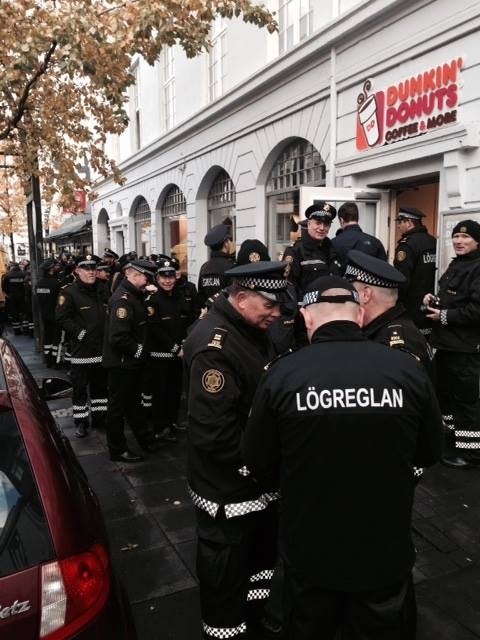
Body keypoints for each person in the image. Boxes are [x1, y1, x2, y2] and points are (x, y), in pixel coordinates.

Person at [243, 275, 442, 640]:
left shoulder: (283, 374)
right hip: (384, 544)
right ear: (361, 314)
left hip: (311, 548)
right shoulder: (406, 370)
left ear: (306, 318)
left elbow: (258, 461)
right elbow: (430, 450)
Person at [183, 261, 290, 640]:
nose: (277, 314)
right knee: (225, 572)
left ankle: (256, 615)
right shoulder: (216, 346)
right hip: (228, 486)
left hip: (255, 483)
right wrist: (261, 463)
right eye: (270, 306)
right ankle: (226, 630)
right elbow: (214, 434)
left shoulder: (249, 329)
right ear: (242, 298)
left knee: (258, 562)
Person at [423, 219, 480, 470]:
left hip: (464, 347)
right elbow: (452, 298)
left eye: (466, 238)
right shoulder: (458, 265)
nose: (459, 241)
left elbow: (476, 310)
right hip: (446, 344)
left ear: (477, 241)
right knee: (442, 391)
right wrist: (433, 299)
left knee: (465, 399)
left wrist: (443, 316)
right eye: (456, 236)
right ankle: (456, 432)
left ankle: (472, 453)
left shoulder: (477, 267)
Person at [102, 259, 161, 462]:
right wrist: (139, 352)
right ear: (135, 275)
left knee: (134, 405)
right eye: (146, 277)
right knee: (118, 408)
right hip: (121, 364)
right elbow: (118, 337)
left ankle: (146, 440)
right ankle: (117, 449)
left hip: (130, 363)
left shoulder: (134, 295)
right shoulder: (123, 300)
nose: (148, 282)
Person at [346, 250, 432, 369]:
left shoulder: (394, 343)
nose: (348, 296)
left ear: (366, 294)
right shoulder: (382, 329)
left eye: (352, 290)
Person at [144, 257, 198, 442]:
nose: (167, 281)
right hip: (160, 355)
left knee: (175, 391)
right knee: (161, 393)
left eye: (170, 277)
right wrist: (175, 348)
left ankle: (172, 422)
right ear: (157, 278)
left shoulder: (179, 296)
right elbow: (155, 328)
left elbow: (187, 321)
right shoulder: (152, 299)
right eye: (163, 277)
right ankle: (160, 427)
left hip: (178, 353)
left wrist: (185, 342)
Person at [55, 255, 109, 438]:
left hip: (101, 349)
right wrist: (80, 333)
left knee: (100, 389)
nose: (91, 272)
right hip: (82, 351)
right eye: (86, 268)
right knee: (79, 389)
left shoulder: (102, 289)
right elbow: (62, 318)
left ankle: (100, 418)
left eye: (93, 268)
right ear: (77, 270)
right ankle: (81, 423)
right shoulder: (69, 292)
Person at [282, 201, 342, 298]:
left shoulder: (333, 251)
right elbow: (288, 288)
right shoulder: (295, 252)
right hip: (307, 310)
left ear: (330, 226)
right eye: (318, 223)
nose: (322, 228)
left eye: (326, 224)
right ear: (309, 224)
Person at [393, 206, 437, 335]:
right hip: (431, 302)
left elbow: (402, 278)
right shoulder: (432, 241)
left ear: (409, 222)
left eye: (400, 222)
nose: (398, 226)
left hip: (411, 305)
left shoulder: (407, 245)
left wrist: (397, 303)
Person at [331, 201, 387, 271]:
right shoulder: (375, 242)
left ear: (341, 220)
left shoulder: (333, 243)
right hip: (368, 281)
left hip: (341, 281)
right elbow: (384, 270)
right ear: (357, 218)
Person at [197, 223, 234, 308]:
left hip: (209, 316)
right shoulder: (230, 267)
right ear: (226, 244)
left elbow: (201, 298)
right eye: (229, 240)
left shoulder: (204, 267)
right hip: (225, 317)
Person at [35, 258, 61, 367]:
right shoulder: (56, 283)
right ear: (51, 269)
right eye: (55, 266)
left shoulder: (38, 284)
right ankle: (55, 361)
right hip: (55, 315)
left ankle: (48, 360)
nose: (57, 268)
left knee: (47, 337)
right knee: (56, 338)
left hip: (44, 315)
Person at [2, 262, 26, 335]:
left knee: (14, 314)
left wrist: (9, 294)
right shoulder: (23, 274)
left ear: (12, 267)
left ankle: (17, 331)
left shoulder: (7, 275)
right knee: (23, 312)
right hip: (22, 296)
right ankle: (25, 330)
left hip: (12, 297)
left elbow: (4, 287)